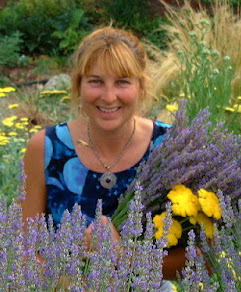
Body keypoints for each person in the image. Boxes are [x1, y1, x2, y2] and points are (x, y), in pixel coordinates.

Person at [21, 26, 186, 290]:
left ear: (141, 87)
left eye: (122, 82)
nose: (109, 97)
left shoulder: (172, 148)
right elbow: (22, 253)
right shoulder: (46, 147)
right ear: (78, 86)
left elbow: (200, 259)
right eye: (96, 81)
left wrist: (124, 257)